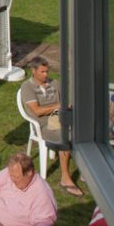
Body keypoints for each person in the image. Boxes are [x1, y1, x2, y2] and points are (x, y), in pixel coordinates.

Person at [20, 56, 82, 196]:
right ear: (33, 71)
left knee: (84, 130)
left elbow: (67, 100)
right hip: (44, 125)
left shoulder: (54, 83)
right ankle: (65, 178)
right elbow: (37, 111)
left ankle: (84, 170)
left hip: (61, 118)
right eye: (42, 72)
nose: (46, 75)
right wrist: (59, 106)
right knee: (66, 137)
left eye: (47, 71)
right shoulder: (27, 87)